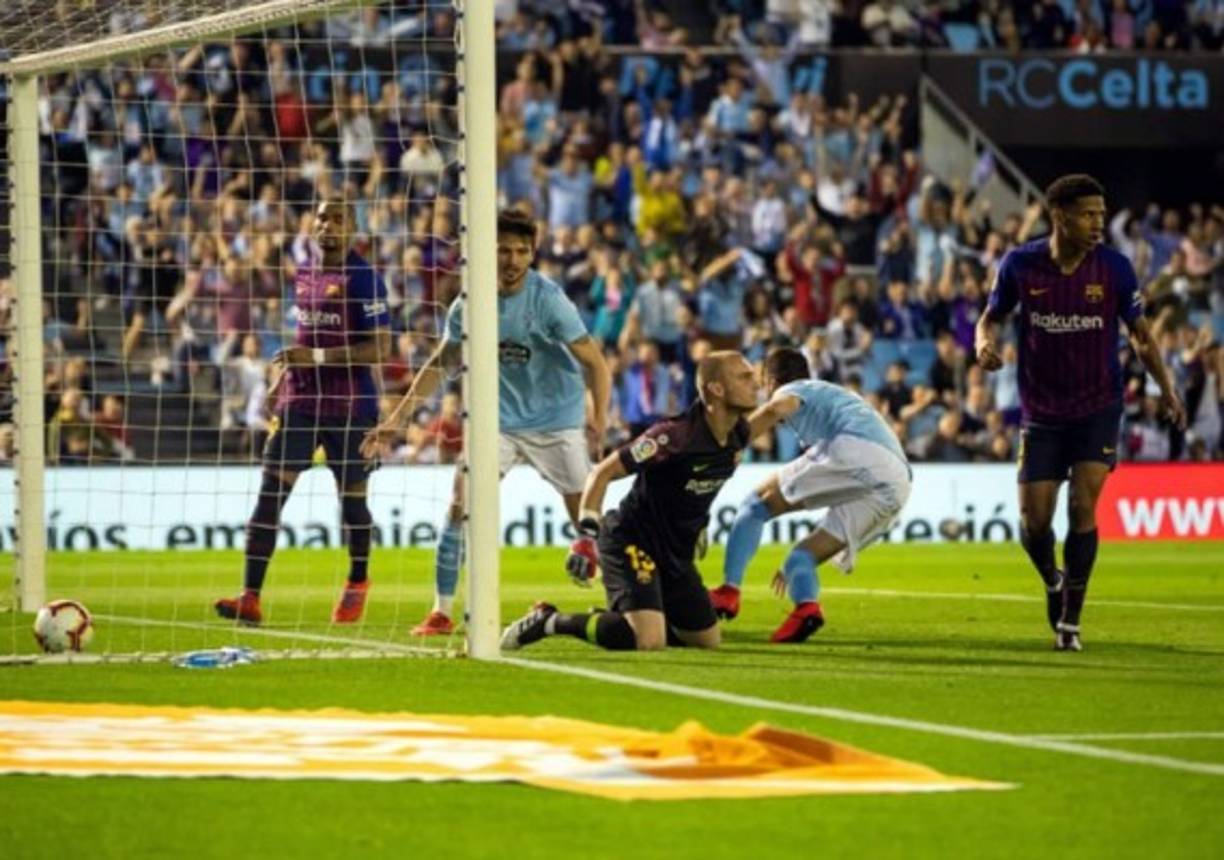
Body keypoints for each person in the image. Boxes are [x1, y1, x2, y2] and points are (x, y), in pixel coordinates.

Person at [363, 209, 611, 636]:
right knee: (459, 507)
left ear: (533, 254)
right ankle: (441, 611)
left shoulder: (549, 300)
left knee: (586, 519)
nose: (512, 260)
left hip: (556, 420)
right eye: (503, 251)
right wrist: (397, 419)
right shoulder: (469, 303)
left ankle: (624, 600)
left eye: (521, 251)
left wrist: (599, 418)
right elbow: (441, 363)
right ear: (486, 253)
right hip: (496, 421)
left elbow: (595, 362)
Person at [974, 174, 1186, 652]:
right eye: (1088, 214)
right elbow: (991, 317)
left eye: (1101, 215)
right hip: (1041, 411)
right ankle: (1053, 578)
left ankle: (1070, 620)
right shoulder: (1020, 265)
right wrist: (984, 344)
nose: (1098, 223)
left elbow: (1141, 335)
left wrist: (1167, 388)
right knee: (1033, 524)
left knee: (1083, 507)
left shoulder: (1114, 268)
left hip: (1097, 406)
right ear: (1059, 217)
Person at [500, 351, 758, 653]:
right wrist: (587, 535)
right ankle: (550, 620)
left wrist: (698, 523)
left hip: (676, 553)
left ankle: (621, 619)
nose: (754, 383)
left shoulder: (739, 433)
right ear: (716, 389)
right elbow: (602, 472)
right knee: (648, 641)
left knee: (707, 641)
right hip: (632, 541)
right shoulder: (673, 437)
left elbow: (698, 484)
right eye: (744, 377)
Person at [214, 200, 392, 626]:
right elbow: (302, 338)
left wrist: (312, 356)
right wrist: (280, 381)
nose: (327, 225)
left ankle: (357, 582)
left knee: (351, 505)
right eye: (322, 217)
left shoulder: (365, 278)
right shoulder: (305, 272)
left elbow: (379, 349)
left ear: (354, 229)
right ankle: (250, 597)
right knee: (269, 496)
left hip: (350, 407)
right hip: (300, 402)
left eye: (338, 219)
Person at [709, 347, 913, 643]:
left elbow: (776, 409)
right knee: (800, 558)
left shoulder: (795, 389)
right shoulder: (833, 394)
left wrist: (728, 444)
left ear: (770, 380)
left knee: (755, 506)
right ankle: (806, 608)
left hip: (856, 450)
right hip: (896, 484)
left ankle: (728, 591)